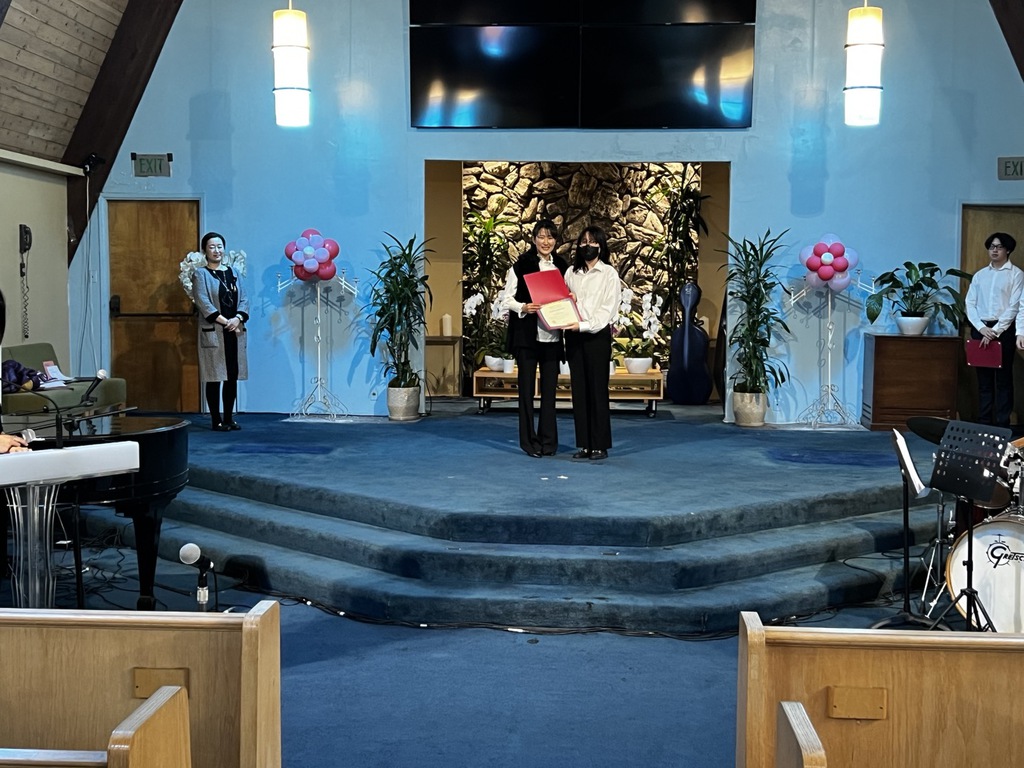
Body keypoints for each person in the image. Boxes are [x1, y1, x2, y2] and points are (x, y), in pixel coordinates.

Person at [501, 219, 570, 457]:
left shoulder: (562, 266)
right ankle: (529, 442)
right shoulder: (521, 265)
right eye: (541, 236)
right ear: (533, 239)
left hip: (553, 337)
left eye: (550, 237)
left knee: (550, 393)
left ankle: (548, 442)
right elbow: (507, 299)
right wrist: (524, 307)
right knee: (526, 392)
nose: (545, 241)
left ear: (556, 240)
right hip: (527, 337)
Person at [564, 226, 621, 460]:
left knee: (597, 390)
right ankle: (584, 444)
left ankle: (599, 445)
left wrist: (584, 325)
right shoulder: (571, 273)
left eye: (593, 241)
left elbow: (608, 310)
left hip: (596, 336)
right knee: (579, 391)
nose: (588, 245)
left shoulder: (609, 274)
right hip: (573, 336)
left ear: (601, 245)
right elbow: (562, 301)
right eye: (583, 241)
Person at [191, 231, 249, 431]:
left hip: (235, 330)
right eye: (211, 247)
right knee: (214, 376)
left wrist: (237, 318)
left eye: (219, 246)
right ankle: (216, 419)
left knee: (232, 376)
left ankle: (229, 418)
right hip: (215, 330)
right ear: (204, 251)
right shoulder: (200, 274)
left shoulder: (234, 272)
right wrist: (225, 322)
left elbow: (244, 299)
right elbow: (203, 302)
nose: (216, 250)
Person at [965, 231, 1021, 429]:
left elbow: (1014, 306)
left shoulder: (1016, 274)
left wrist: (995, 331)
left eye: (999, 247)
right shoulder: (980, 275)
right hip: (980, 329)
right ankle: (984, 422)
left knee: (1003, 380)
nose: (994, 250)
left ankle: (1002, 424)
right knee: (984, 380)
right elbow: (970, 303)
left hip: (1003, 330)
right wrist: (981, 327)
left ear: (1008, 250)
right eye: (991, 247)